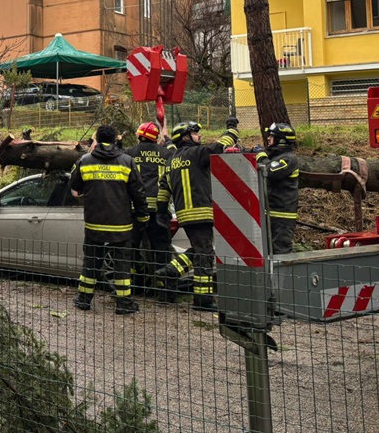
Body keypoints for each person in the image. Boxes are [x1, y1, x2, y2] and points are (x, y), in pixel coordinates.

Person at [156, 118, 239, 311]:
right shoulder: (198, 153)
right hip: (201, 212)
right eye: (196, 133)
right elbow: (220, 146)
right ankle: (203, 300)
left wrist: (162, 212)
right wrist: (232, 129)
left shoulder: (172, 159)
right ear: (186, 137)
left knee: (202, 249)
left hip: (185, 214)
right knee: (204, 255)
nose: (199, 135)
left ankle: (171, 270)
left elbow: (163, 189)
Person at [70, 124, 150, 315]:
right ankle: (123, 304)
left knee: (91, 261)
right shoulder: (127, 161)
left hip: (93, 222)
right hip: (121, 223)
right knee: (122, 264)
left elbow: (74, 185)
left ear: (96, 140)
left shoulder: (84, 161)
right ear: (115, 140)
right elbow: (138, 192)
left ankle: (83, 300)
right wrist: (143, 214)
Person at [124, 121, 174, 299]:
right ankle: (165, 292)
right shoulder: (167, 153)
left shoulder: (130, 153)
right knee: (162, 250)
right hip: (159, 210)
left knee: (130, 249)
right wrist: (168, 141)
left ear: (139, 136)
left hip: (135, 210)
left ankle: (130, 288)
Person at [256, 122, 300, 255]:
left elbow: (269, 171)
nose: (268, 139)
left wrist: (261, 156)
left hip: (282, 216)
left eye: (272, 136)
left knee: (280, 251)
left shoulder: (288, 159)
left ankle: (283, 276)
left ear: (281, 140)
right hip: (271, 213)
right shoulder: (275, 156)